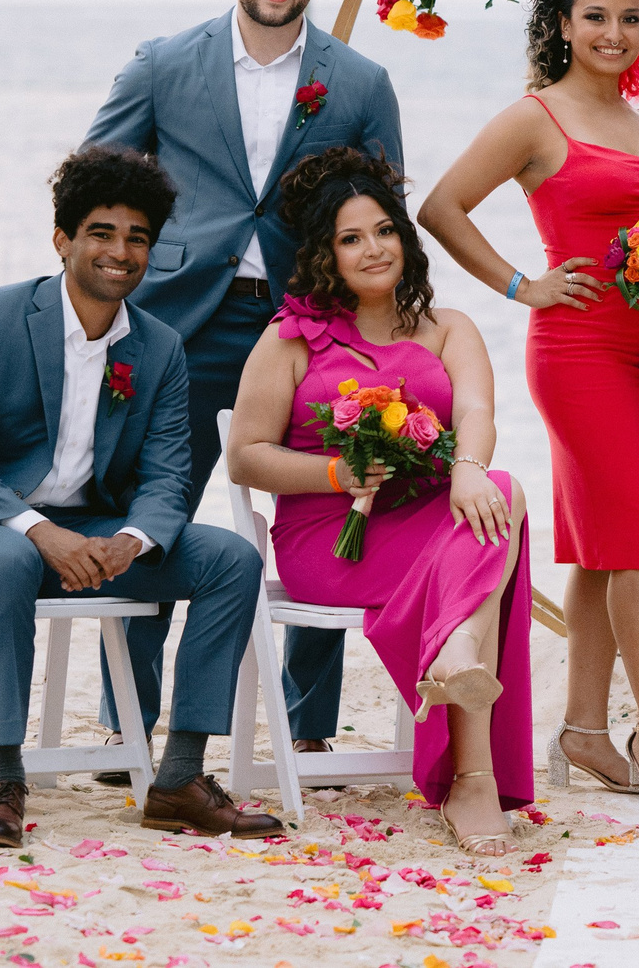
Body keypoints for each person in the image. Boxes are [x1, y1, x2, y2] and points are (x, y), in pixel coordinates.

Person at [82, 0, 403, 765]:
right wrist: (101, 304)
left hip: (311, 326)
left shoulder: (360, 82)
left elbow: (383, 217)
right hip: (181, 322)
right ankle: (125, 718)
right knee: (156, 510)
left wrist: (384, 333)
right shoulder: (162, 63)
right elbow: (97, 181)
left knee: (330, 504)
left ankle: (308, 723)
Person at [0, 146, 280, 845]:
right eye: (101, 232)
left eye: (137, 238)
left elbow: (168, 475)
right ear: (62, 239)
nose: (120, 252)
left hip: (93, 536)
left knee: (230, 559)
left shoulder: (160, 347)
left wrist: (130, 541)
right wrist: (41, 532)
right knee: (10, 556)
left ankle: (179, 778)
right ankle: (4, 780)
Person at [418, 0, 639, 814]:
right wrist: (522, 285)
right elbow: (440, 207)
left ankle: (582, 730)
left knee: (606, 540)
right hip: (577, 352)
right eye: (596, 17)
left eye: (629, 18)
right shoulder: (534, 118)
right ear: (564, 27)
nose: (615, 33)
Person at [224, 147, 533, 856]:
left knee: (502, 491)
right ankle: (471, 766)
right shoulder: (289, 338)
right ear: (326, 254)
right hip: (333, 538)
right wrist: (340, 474)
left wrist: (468, 469)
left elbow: (476, 410)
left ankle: (459, 665)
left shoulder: (449, 327)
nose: (374, 249)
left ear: (405, 237)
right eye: (351, 238)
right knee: (485, 550)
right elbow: (245, 455)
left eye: (385, 230)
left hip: (431, 516)